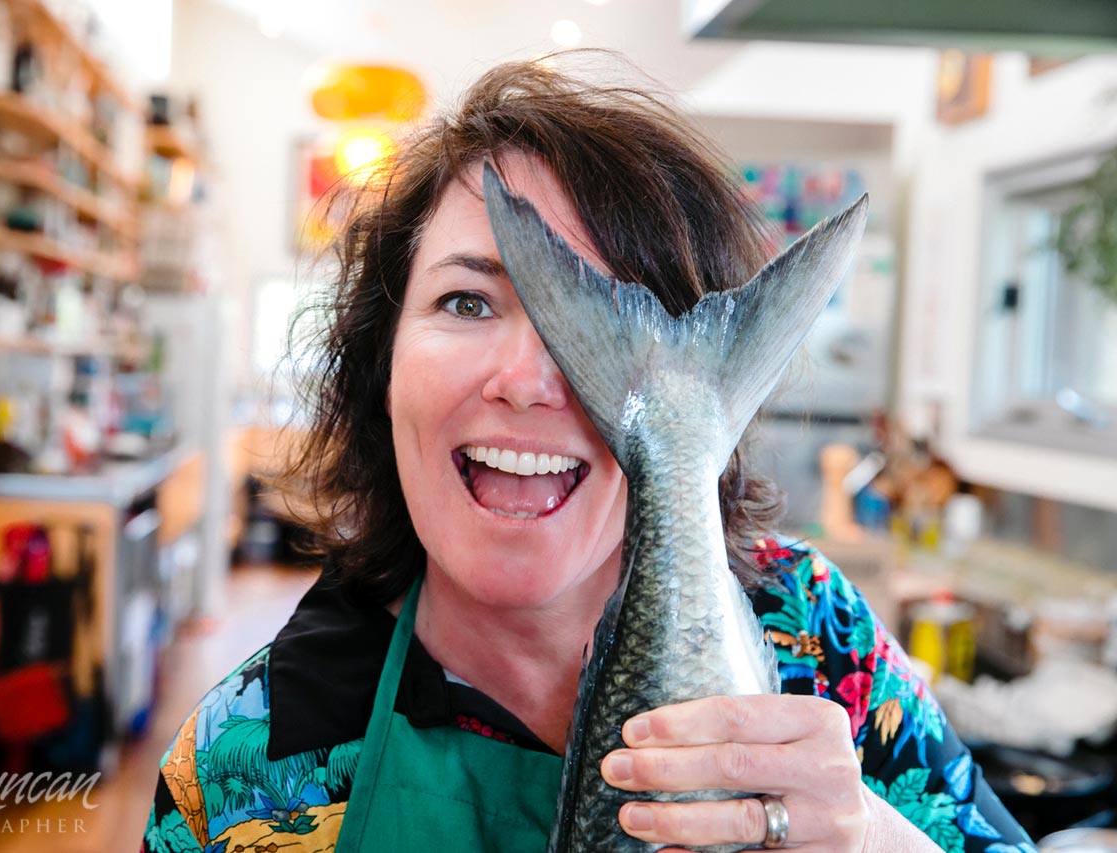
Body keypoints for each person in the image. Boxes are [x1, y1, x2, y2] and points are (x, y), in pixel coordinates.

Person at [141, 54, 1035, 853]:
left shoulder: (819, 634)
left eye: (594, 316)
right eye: (466, 302)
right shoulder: (242, 765)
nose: (527, 380)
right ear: (381, 365)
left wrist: (876, 840)